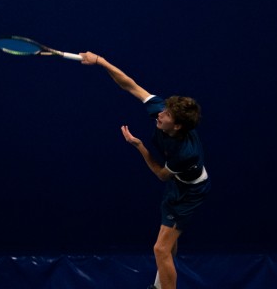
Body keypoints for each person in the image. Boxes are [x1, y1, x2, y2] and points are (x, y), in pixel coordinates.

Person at [79, 51, 211, 289]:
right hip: (178, 184)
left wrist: (139, 146)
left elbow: (161, 175)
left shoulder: (185, 153)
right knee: (168, 244)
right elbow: (130, 85)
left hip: (190, 193)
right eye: (164, 109)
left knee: (160, 249)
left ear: (177, 126)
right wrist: (100, 61)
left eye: (166, 114)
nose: (160, 114)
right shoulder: (164, 114)